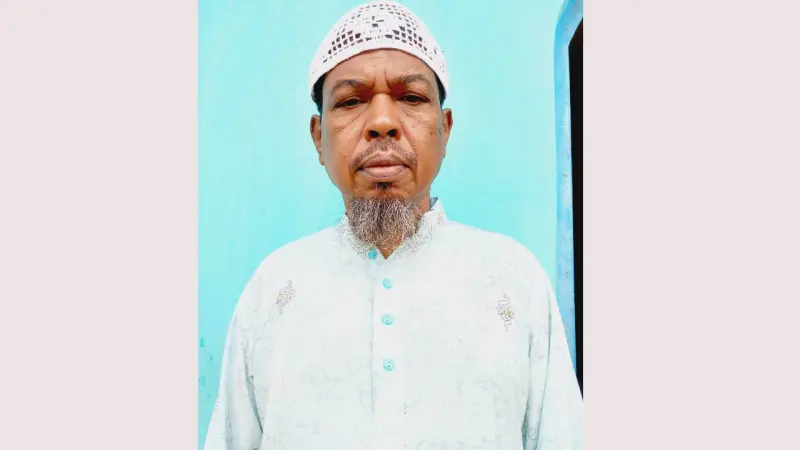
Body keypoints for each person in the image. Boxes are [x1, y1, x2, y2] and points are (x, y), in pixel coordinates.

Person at [204, 1, 583, 449]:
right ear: (319, 138)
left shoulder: (514, 282)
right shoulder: (273, 290)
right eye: (351, 101)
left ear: (444, 129)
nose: (382, 123)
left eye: (411, 98)